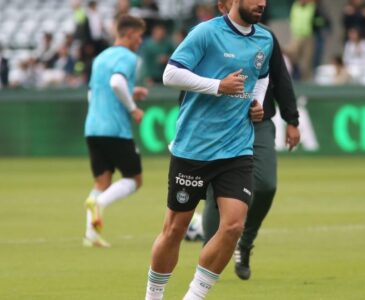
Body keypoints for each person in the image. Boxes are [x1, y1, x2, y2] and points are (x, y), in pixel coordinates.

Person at [144, 1, 273, 299]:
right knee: (175, 229)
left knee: (233, 226)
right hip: (194, 148)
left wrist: (257, 103)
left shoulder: (265, 39)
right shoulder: (205, 33)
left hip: (237, 147)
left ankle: (194, 296)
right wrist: (217, 85)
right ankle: (153, 296)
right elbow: (170, 75)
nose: (262, 2)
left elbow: (262, 74)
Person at [201, 0, 301, 281]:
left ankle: (243, 243)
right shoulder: (208, 35)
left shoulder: (265, 38)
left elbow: (280, 79)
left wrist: (292, 119)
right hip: (217, 126)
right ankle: (208, 268)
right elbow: (188, 79)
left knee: (267, 185)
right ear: (223, 5)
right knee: (214, 197)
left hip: (257, 124)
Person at [83, 15, 148, 248]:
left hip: (93, 127)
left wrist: (133, 91)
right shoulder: (128, 57)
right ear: (129, 34)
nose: (140, 41)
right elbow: (117, 83)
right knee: (134, 179)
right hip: (115, 129)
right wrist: (132, 108)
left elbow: (93, 93)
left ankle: (90, 234)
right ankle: (99, 205)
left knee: (102, 182)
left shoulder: (100, 58)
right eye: (139, 36)